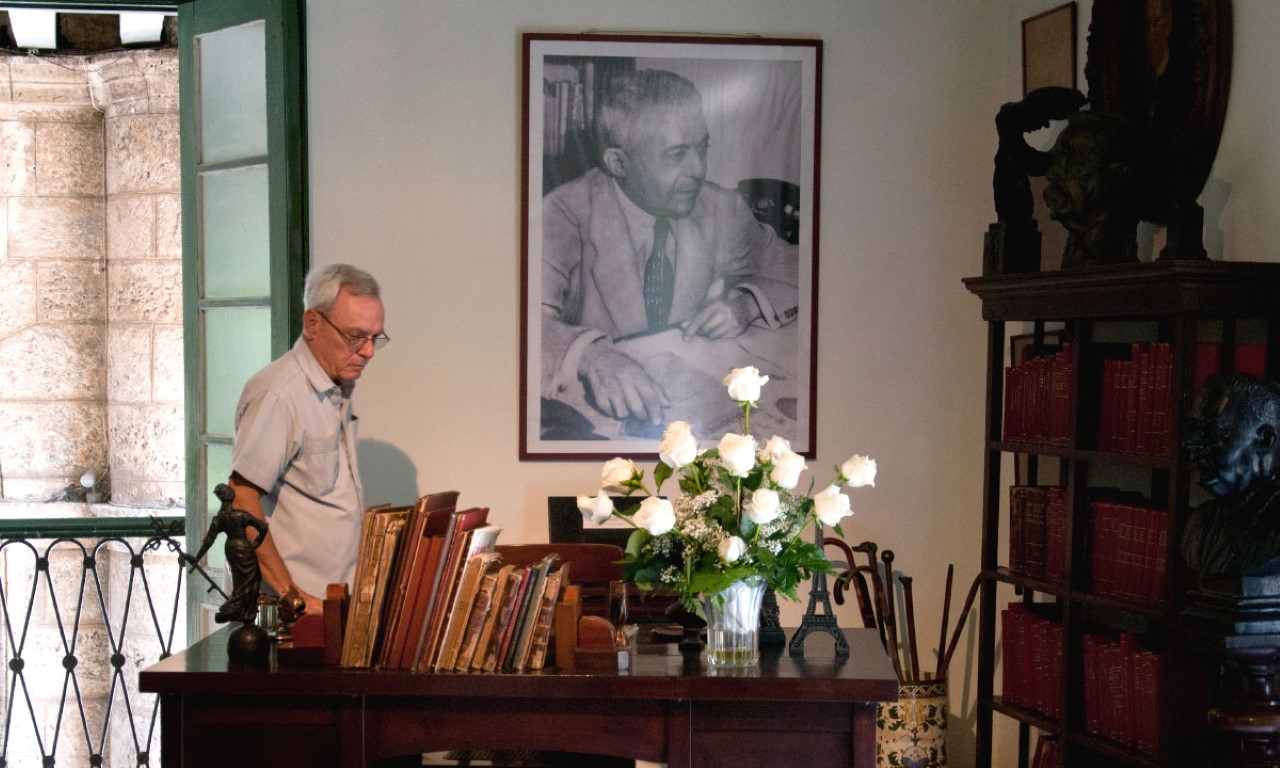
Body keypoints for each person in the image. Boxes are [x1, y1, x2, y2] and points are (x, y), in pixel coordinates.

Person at [540, 68, 799, 430]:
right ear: (618, 163)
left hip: (691, 402)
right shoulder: (560, 214)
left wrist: (747, 303)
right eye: (676, 155)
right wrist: (589, 355)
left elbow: (793, 264)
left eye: (701, 148)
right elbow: (515, 324)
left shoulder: (718, 206)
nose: (697, 169)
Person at [228, 263, 388, 617]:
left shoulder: (334, 386)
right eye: (355, 337)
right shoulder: (280, 393)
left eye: (375, 337)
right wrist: (293, 598)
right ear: (312, 324)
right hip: (291, 619)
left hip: (328, 610)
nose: (368, 351)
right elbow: (242, 500)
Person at [1181, 373, 1280, 577]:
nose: (1191, 445)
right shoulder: (1201, 523)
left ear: (1264, 441)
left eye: (1212, 434)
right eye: (1194, 432)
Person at [190, 482, 269, 624]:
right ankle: (246, 610)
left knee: (239, 580)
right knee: (252, 579)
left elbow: (208, 541)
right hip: (245, 548)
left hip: (231, 548)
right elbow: (263, 527)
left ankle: (239, 609)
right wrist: (255, 544)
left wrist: (197, 558)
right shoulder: (241, 515)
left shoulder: (219, 519)